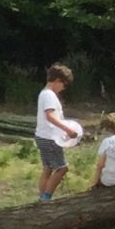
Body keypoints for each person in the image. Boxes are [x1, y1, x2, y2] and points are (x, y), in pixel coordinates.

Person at [34, 63, 83, 200]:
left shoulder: (44, 93)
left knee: (48, 168)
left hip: (42, 136)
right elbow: (49, 116)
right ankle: (46, 197)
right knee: (62, 168)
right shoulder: (49, 95)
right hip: (50, 138)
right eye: (64, 84)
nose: (63, 88)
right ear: (57, 80)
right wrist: (68, 129)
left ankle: (42, 199)